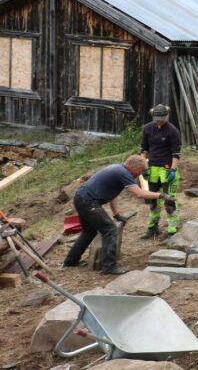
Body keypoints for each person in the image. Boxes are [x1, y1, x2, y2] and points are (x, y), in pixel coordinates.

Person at [63, 156, 175, 275]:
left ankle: (71, 261)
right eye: (140, 171)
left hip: (82, 199)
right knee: (110, 230)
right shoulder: (123, 173)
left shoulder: (118, 170)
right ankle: (109, 267)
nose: (140, 174)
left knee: (89, 232)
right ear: (132, 167)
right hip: (88, 202)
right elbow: (138, 193)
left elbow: (113, 194)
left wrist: (116, 214)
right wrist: (161, 195)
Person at [139, 104, 182, 240]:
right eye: (156, 119)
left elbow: (176, 153)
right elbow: (144, 150)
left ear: (166, 116)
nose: (159, 121)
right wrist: (143, 167)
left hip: (167, 168)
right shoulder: (147, 128)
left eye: (161, 119)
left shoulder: (172, 131)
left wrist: (172, 170)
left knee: (169, 202)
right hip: (152, 168)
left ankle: (172, 231)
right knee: (153, 201)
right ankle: (152, 228)